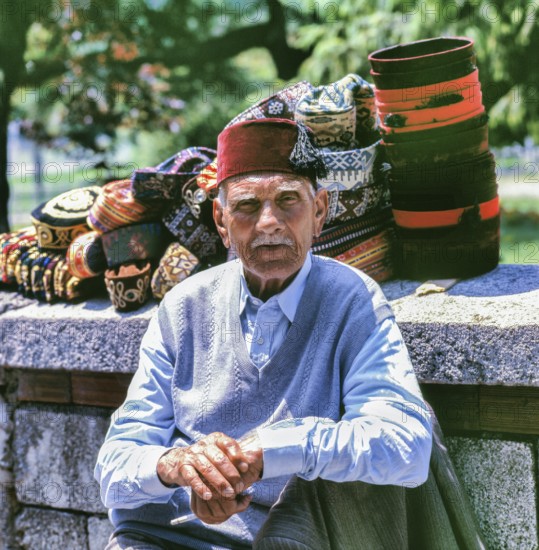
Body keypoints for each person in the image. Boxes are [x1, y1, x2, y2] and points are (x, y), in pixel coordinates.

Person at [95, 118, 433, 550]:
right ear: (220, 219)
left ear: (320, 212)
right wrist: (178, 466)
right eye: (247, 206)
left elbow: (406, 446)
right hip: (164, 537)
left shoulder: (351, 300)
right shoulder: (183, 306)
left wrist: (271, 450)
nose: (269, 223)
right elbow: (115, 464)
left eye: (288, 200)